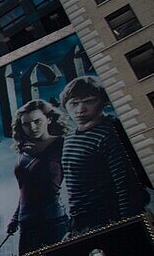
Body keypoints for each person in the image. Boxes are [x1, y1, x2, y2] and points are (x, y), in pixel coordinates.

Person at [60, 76, 148, 236]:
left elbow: (126, 185)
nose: (80, 109)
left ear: (104, 102)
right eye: (74, 103)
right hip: (81, 222)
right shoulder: (71, 134)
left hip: (108, 219)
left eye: (89, 101)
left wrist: (128, 226)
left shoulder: (110, 133)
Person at [6, 100, 68, 254]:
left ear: (48, 119)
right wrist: (15, 218)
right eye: (26, 124)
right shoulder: (24, 151)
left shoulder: (62, 144)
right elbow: (26, 189)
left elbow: (77, 182)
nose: (32, 127)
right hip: (26, 222)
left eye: (37, 121)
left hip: (52, 221)